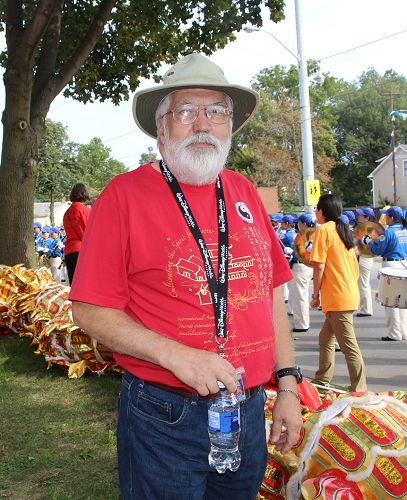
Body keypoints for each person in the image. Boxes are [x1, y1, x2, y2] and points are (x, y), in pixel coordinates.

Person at [69, 53, 302, 500]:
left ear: (229, 125)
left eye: (216, 111)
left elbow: (270, 291)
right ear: (161, 128)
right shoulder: (123, 195)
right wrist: (176, 355)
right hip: (164, 412)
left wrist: (287, 385)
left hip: (247, 408)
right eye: (186, 111)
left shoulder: (244, 190)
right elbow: (90, 308)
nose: (202, 124)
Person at [310, 194, 367, 392]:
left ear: (321, 212)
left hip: (337, 297)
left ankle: (359, 388)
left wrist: (315, 295)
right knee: (325, 339)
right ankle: (322, 381)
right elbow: (355, 267)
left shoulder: (323, 231)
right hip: (346, 293)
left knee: (348, 346)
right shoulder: (343, 231)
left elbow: (319, 266)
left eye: (316, 210)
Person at [364, 206, 407, 341]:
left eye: (386, 215)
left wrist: (369, 242)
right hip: (404, 263)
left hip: (391, 265)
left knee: (391, 301)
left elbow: (378, 250)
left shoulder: (388, 233)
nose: (385, 217)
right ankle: (404, 331)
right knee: (402, 301)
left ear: (392, 217)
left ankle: (394, 333)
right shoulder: (404, 231)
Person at [290, 214, 314, 333]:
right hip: (306, 266)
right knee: (302, 296)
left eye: (298, 223)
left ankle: (301, 324)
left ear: (304, 224)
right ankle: (302, 322)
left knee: (299, 296)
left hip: (301, 266)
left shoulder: (305, 235)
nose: (297, 225)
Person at [63, 183, 91, 285]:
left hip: (69, 252)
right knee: (85, 286)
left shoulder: (67, 213)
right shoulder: (85, 210)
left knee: (74, 287)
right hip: (82, 251)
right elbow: (89, 233)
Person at [355, 207, 377, 317]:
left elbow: (363, 243)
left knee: (363, 284)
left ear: (367, 217)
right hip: (365, 257)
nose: (359, 216)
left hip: (365, 257)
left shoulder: (368, 228)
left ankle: (365, 309)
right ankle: (365, 308)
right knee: (364, 283)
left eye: (361, 215)